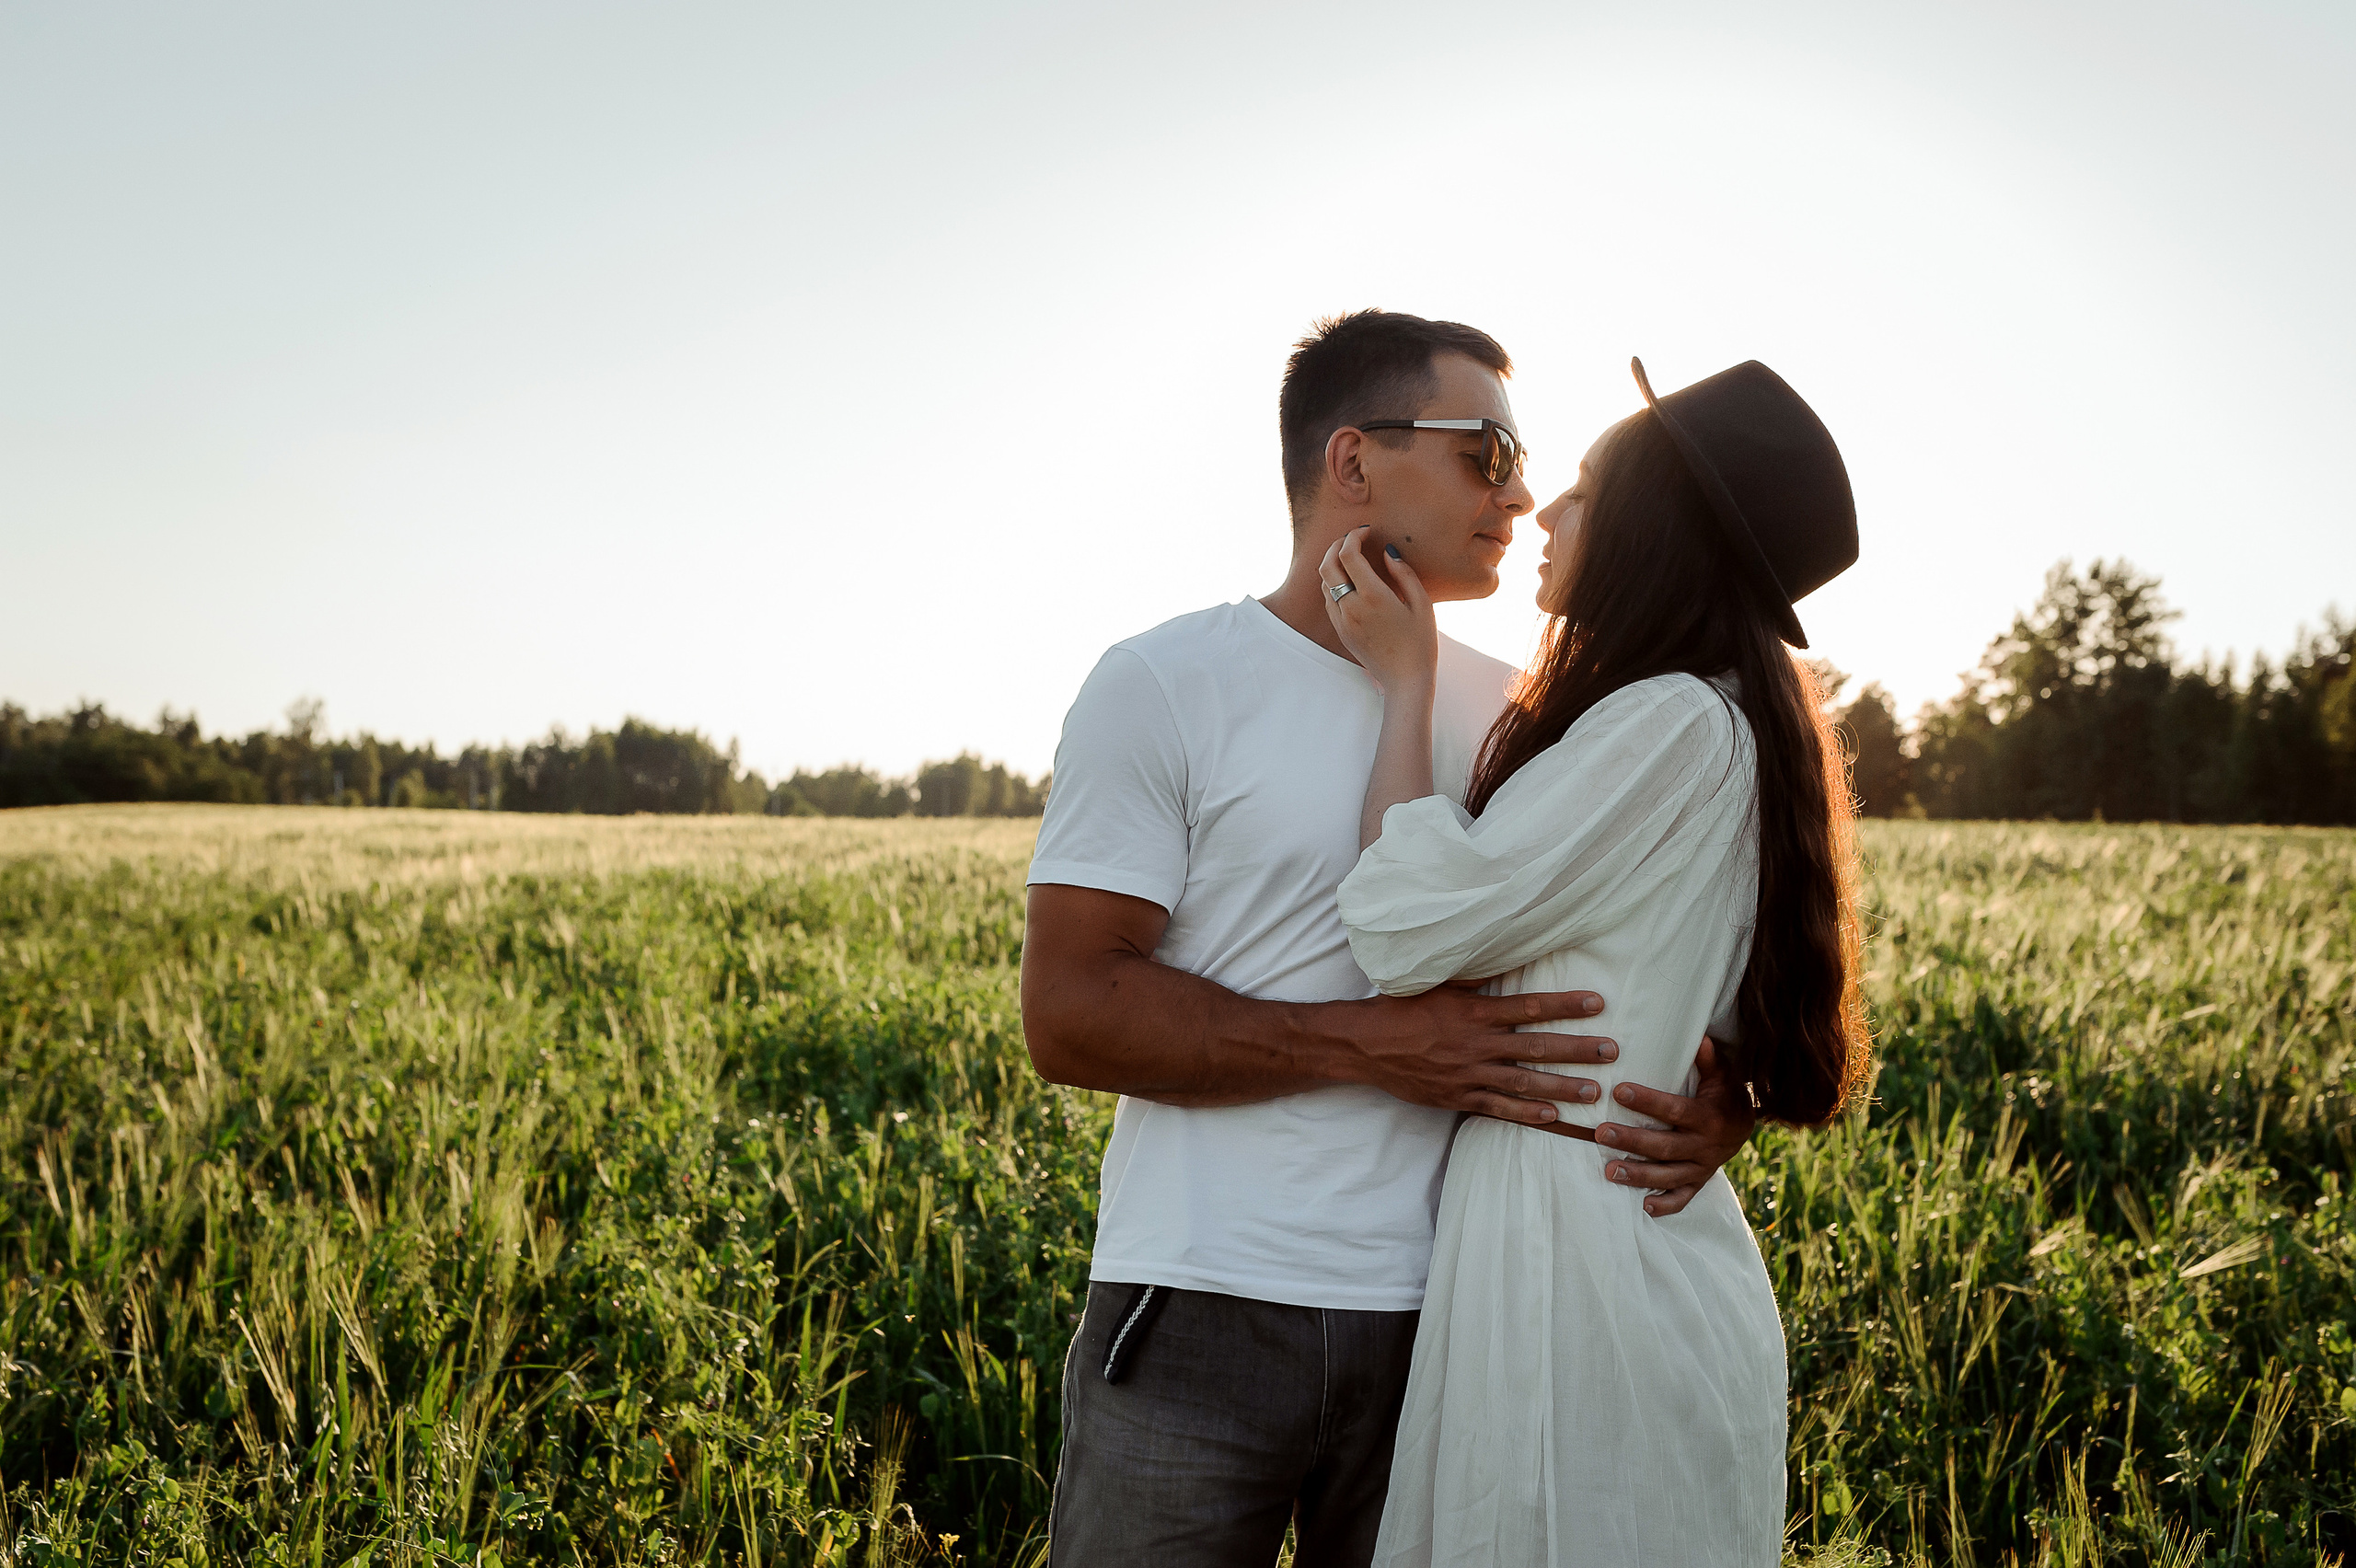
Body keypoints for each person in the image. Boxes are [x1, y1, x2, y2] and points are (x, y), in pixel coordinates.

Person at [1021, 313, 1761, 1566]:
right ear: (1352, 463)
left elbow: (1677, 934)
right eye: (1486, 453)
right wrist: (1377, 1047)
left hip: (1461, 1324)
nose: (1520, 495)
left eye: (1529, 465)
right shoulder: (1163, 682)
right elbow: (1071, 1011)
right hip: (1202, 1303)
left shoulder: (1536, 716)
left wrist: (1723, 1093)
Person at [1322, 357, 1875, 1566]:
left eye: (1582, 486)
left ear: (1653, 527)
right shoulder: (1705, 716)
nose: (1548, 512)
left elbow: (1403, 931)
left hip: (1584, 1259)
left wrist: (1404, 681)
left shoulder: (1670, 719)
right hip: (1597, 1230)